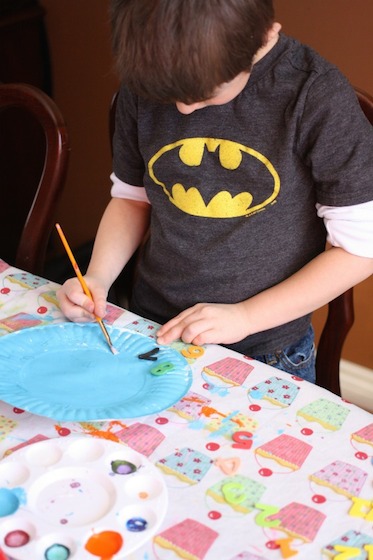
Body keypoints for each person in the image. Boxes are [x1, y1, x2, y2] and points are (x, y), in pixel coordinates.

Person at [57, 0, 373, 383]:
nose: (184, 110)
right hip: (153, 326)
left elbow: (360, 249)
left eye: (205, 95)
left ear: (265, 36)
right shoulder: (147, 83)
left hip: (267, 351)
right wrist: (98, 278)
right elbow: (131, 198)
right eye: (167, 96)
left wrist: (246, 317)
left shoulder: (315, 97)